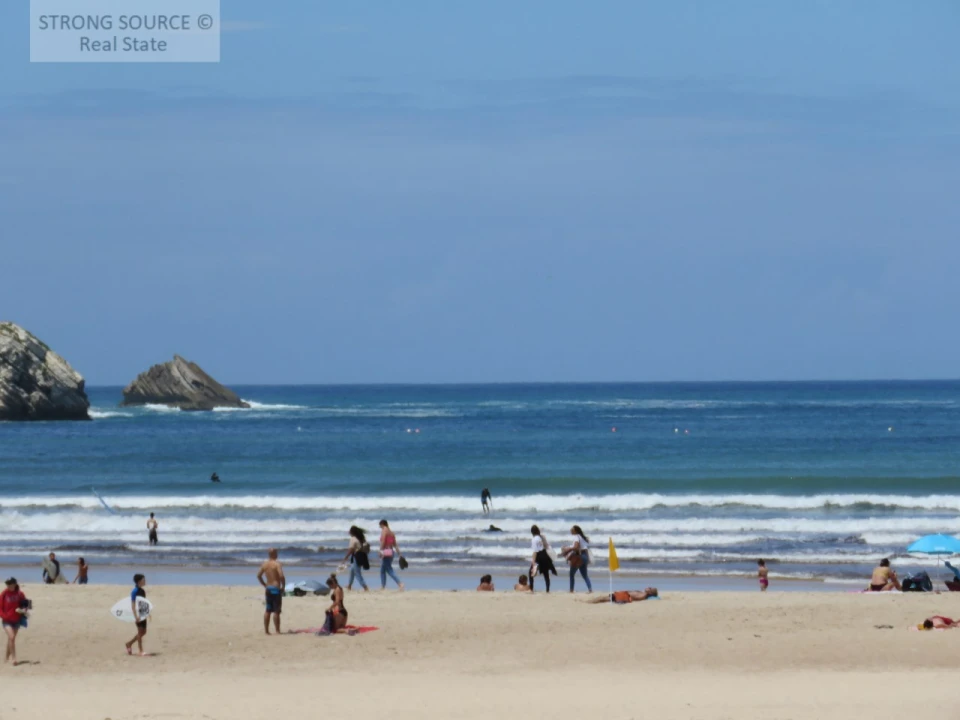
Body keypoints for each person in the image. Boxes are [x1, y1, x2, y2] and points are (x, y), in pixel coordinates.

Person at [257, 548, 286, 635]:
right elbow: (281, 576)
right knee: (276, 611)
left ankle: (266, 631)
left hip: (268, 589)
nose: (277, 554)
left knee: (268, 610)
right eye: (276, 553)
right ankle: (277, 630)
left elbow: (258, 575)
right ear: (274, 554)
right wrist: (283, 586)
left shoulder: (264, 564)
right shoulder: (277, 564)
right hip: (276, 589)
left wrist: (264, 584)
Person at [1, 578, 29, 665]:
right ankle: (14, 659)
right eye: (8, 584)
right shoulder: (4, 594)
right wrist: (4, 616)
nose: (9, 586)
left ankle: (6, 658)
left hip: (17, 620)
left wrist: (23, 610)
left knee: (11, 639)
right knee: (12, 637)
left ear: (14, 584)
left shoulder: (20, 594)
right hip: (6, 621)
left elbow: (26, 604)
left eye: (10, 584)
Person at [562, 525, 593, 593]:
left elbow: (576, 547)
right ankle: (590, 589)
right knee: (585, 575)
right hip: (584, 556)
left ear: (575, 531)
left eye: (572, 530)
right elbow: (585, 549)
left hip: (579, 557)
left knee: (571, 574)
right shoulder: (582, 537)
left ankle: (571, 590)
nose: (570, 531)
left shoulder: (576, 537)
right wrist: (587, 559)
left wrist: (568, 548)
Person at [124, 574, 149, 656]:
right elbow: (133, 605)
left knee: (143, 632)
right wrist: (135, 616)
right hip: (137, 614)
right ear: (139, 581)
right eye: (143, 580)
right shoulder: (134, 591)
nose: (145, 581)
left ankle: (129, 643)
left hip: (142, 613)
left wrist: (147, 613)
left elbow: (143, 603)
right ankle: (140, 650)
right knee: (140, 631)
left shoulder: (143, 591)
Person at [528, 525, 557, 593]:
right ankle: (547, 590)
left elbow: (535, 551)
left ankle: (531, 588)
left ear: (532, 532)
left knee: (531, 572)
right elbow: (546, 546)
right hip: (545, 555)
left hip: (539, 556)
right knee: (546, 573)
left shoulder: (534, 539)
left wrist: (533, 561)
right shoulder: (542, 537)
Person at [378, 520, 404, 591]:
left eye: (380, 526)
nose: (380, 527)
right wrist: (399, 554)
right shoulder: (392, 533)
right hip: (391, 551)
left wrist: (380, 551)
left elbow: (383, 541)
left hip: (386, 551)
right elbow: (395, 545)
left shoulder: (384, 531)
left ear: (382, 524)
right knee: (382, 570)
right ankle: (383, 586)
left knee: (389, 569)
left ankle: (400, 583)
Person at [343, 526, 370, 592]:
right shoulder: (361, 538)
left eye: (350, 531)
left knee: (357, 573)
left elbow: (351, 549)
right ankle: (349, 586)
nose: (349, 532)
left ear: (352, 532)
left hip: (356, 557)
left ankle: (365, 587)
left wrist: (346, 557)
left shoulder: (353, 539)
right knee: (352, 571)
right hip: (362, 556)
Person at [587, 587, 659, 604]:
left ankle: (589, 602)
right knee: (603, 598)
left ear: (650, 593)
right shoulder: (642, 593)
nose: (648, 587)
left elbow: (634, 597)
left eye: (650, 588)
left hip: (622, 596)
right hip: (622, 594)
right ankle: (590, 601)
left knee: (602, 598)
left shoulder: (643, 595)